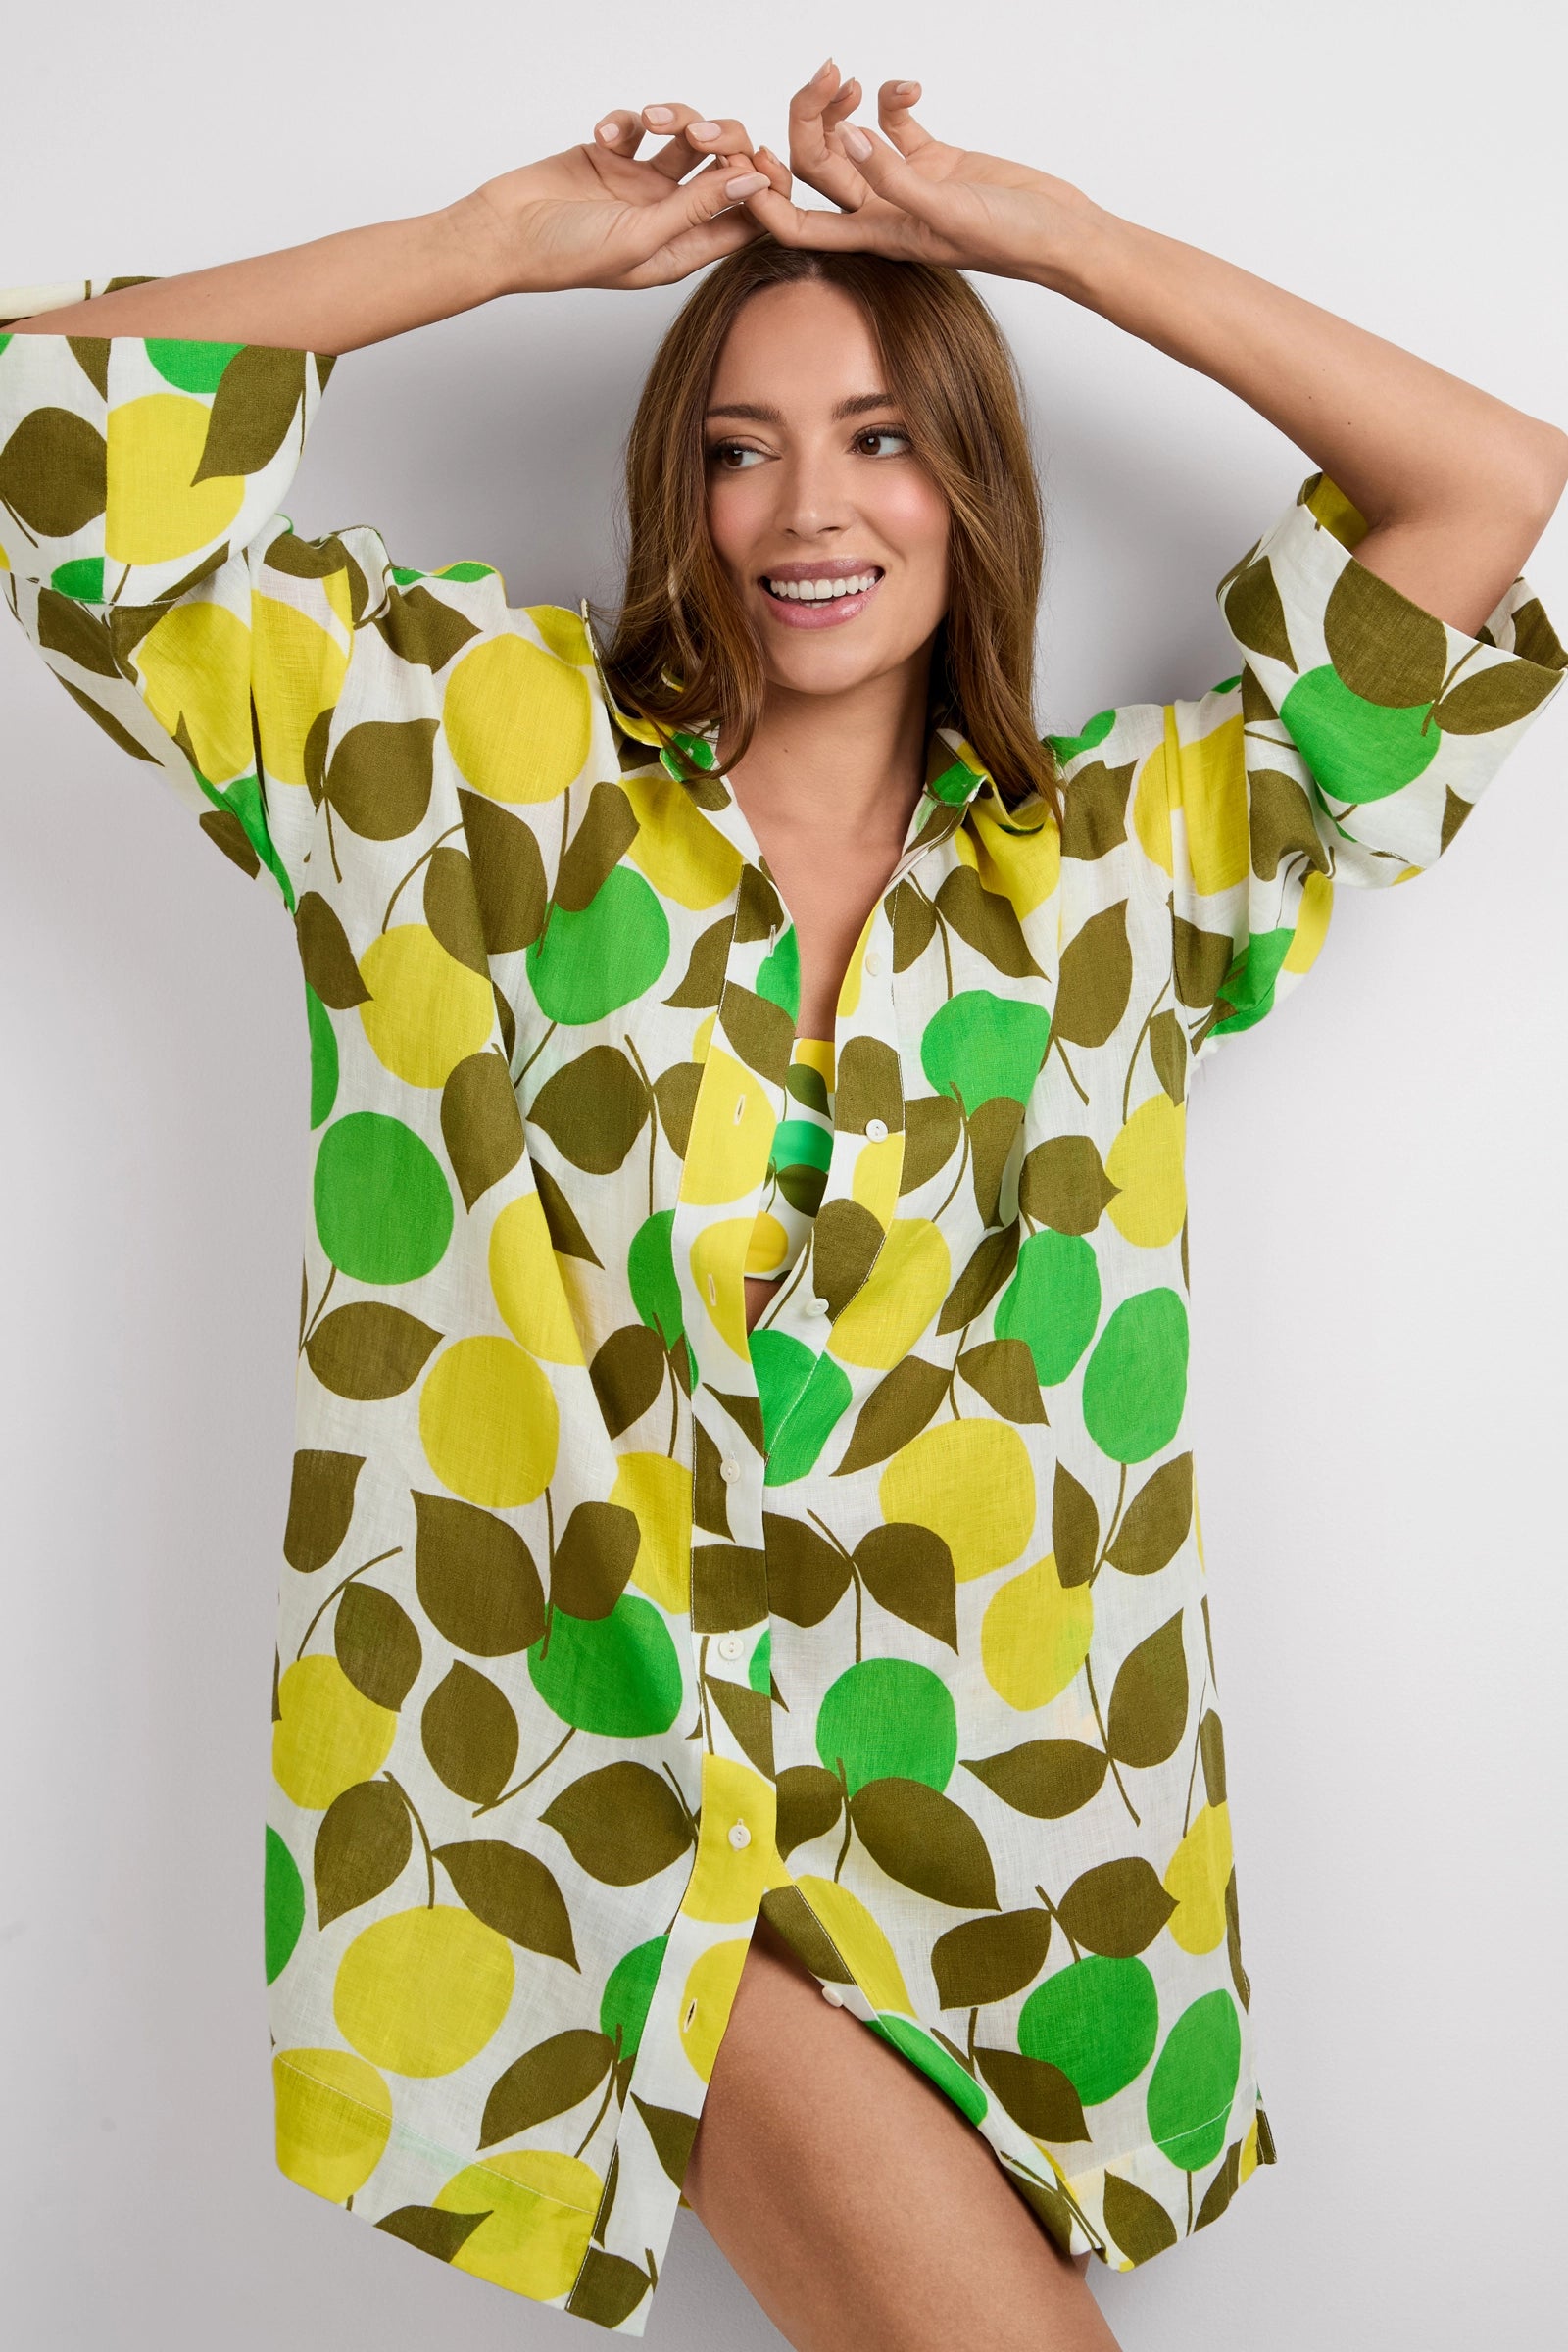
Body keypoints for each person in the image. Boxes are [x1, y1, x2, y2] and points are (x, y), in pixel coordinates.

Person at [3, 57, 1563, 2352]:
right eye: (737, 443)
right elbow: (57, 451)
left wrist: (1042, 237)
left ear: (970, 484)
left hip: (1011, 1853)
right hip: (592, 1807)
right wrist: (503, 238)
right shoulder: (469, 763)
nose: (798, 508)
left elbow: (1487, 482)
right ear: (676, 489)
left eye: (879, 434)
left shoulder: (1137, 859)